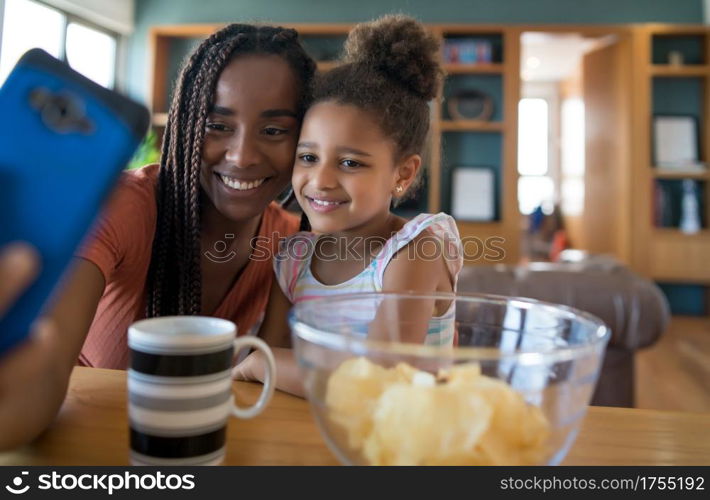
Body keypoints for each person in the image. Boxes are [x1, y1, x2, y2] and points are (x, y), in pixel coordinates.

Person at [0, 23, 316, 450]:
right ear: (185, 125)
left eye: (274, 131)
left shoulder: (291, 242)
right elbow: (46, 373)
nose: (242, 156)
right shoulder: (125, 209)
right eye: (216, 125)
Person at [234, 15, 463, 396]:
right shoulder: (294, 259)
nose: (321, 180)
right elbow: (276, 365)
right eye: (308, 157)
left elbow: (379, 380)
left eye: (350, 163)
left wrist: (262, 363)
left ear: (402, 174)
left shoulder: (414, 252)